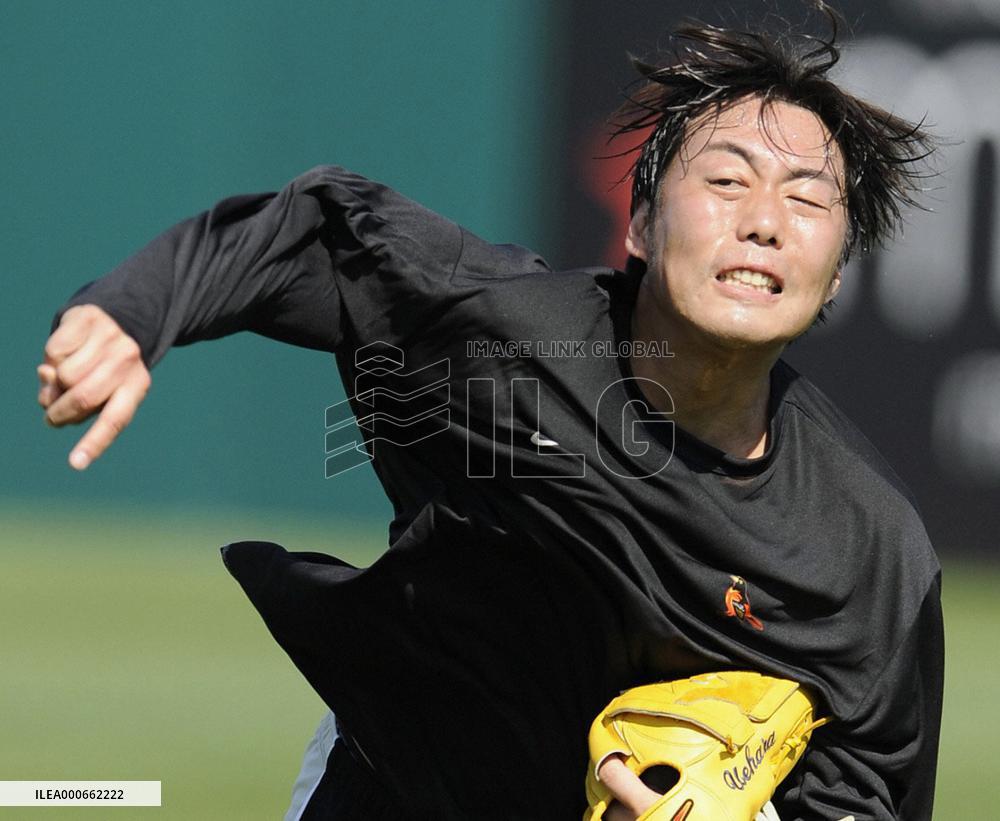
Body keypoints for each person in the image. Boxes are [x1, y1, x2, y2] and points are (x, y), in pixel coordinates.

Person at [38, 7, 942, 820]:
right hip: (401, 787)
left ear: (837, 264)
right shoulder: (504, 336)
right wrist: (136, 310)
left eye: (808, 197)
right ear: (637, 225)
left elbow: (869, 790)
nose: (765, 220)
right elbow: (319, 235)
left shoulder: (869, 556)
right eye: (728, 180)